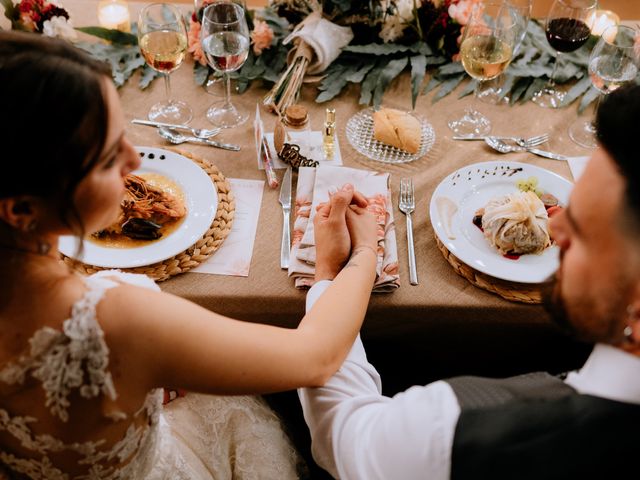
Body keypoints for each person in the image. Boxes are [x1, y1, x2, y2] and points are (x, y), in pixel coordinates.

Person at [0, 31, 380, 479]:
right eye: (106, 158)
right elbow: (316, 358)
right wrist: (363, 255)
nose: (133, 159)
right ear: (22, 208)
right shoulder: (117, 318)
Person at [299, 84, 640, 480]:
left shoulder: (456, 429)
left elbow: (343, 436)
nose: (555, 225)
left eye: (580, 228)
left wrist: (328, 271)